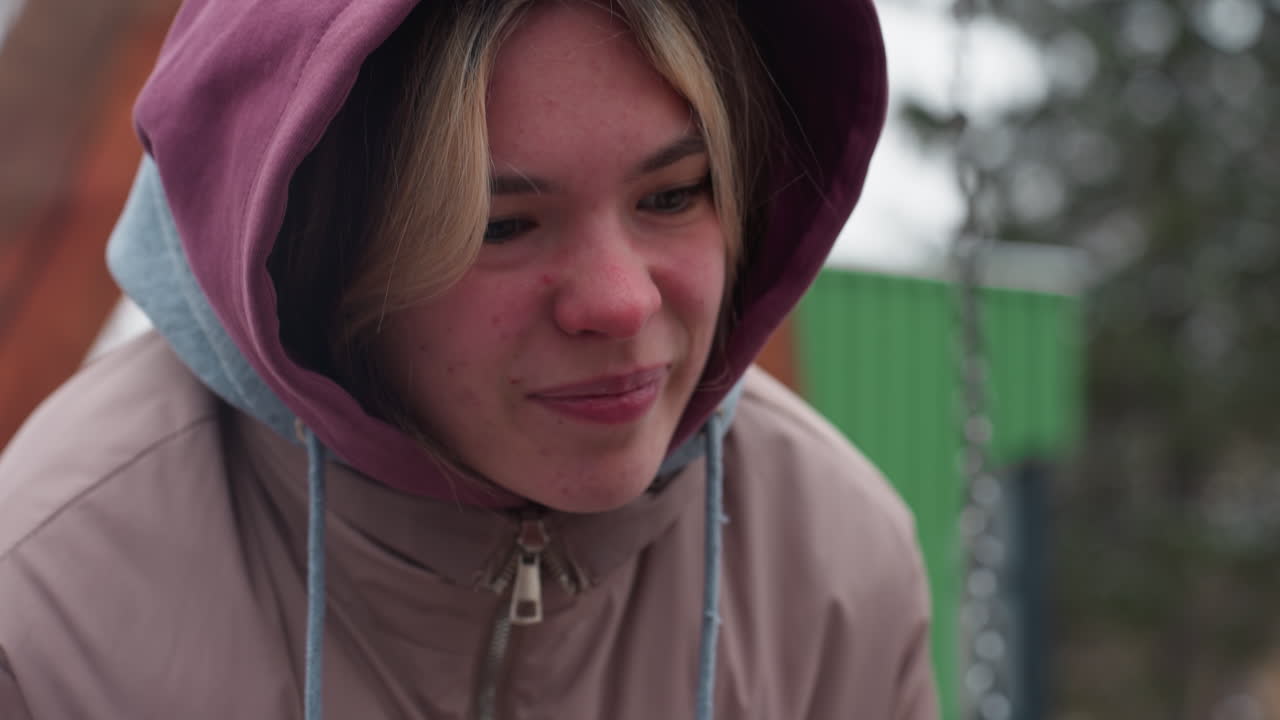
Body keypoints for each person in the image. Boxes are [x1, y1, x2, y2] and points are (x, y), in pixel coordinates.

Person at [0, 0, 938, 717]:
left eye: (673, 195)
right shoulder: (52, 599)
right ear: (324, 259)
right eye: (502, 224)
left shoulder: (835, 569)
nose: (621, 301)